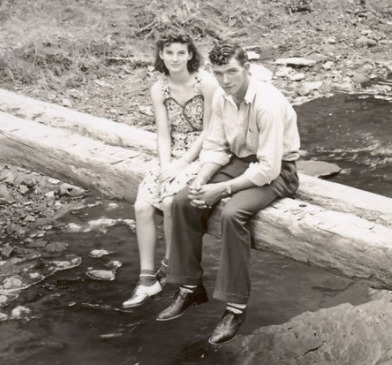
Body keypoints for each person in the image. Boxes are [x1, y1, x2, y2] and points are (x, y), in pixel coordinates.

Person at [156, 42, 301, 345]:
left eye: (232, 72)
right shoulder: (223, 97)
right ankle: (190, 288)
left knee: (233, 214)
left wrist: (221, 190)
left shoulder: (267, 103)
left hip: (278, 170)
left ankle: (235, 307)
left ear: (247, 69)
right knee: (184, 200)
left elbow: (268, 168)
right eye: (219, 73)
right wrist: (201, 179)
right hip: (240, 162)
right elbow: (216, 147)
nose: (225, 80)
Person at [122, 33, 219, 308]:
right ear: (161, 56)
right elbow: (163, 134)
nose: (175, 58)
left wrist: (182, 164)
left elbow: (209, 130)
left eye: (180, 53)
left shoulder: (206, 83)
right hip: (172, 152)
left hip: (202, 152)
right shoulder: (159, 88)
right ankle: (146, 279)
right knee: (142, 206)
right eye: (169, 53)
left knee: (168, 203)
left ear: (190, 55)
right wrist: (165, 167)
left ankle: (168, 267)